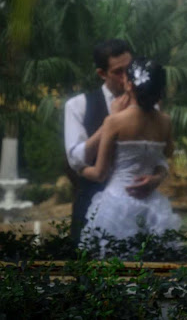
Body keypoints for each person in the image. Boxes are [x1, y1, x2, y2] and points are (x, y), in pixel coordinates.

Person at [65, 40, 164, 243]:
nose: (126, 77)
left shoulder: (152, 109)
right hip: (91, 210)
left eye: (129, 69)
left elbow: (159, 157)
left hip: (142, 211)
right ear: (102, 74)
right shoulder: (78, 105)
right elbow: (76, 159)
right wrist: (111, 122)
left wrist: (158, 178)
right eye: (118, 72)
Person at [79, 58, 181, 254]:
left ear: (129, 85)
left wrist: (80, 168)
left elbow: (99, 174)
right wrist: (157, 177)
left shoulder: (114, 122)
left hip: (116, 205)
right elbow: (166, 156)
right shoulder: (165, 122)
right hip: (152, 206)